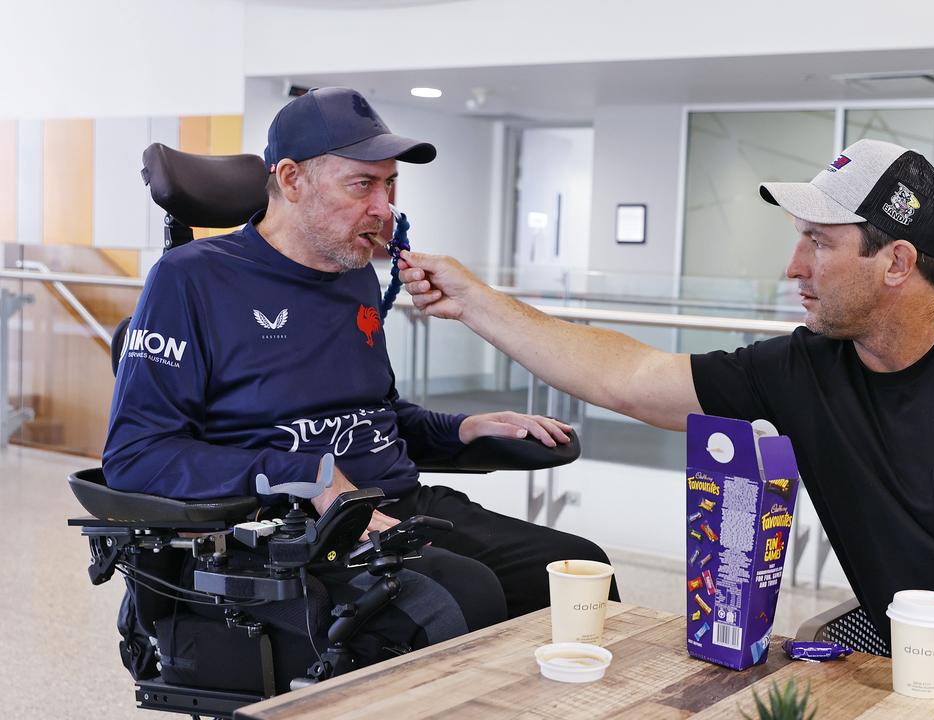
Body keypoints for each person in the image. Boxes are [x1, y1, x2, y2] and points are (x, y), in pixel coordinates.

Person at [397, 138, 934, 719]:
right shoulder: (802, 370)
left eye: (817, 243)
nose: (792, 268)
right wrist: (475, 301)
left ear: (896, 263)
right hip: (921, 681)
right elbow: (631, 378)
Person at [103, 87, 616, 648]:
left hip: (395, 504)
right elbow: (136, 455)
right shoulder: (190, 278)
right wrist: (306, 475)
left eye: (389, 184)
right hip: (289, 529)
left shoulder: (353, 270)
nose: (383, 207)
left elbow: (374, 413)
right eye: (363, 184)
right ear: (293, 179)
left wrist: (463, 428)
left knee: (578, 570)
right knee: (465, 595)